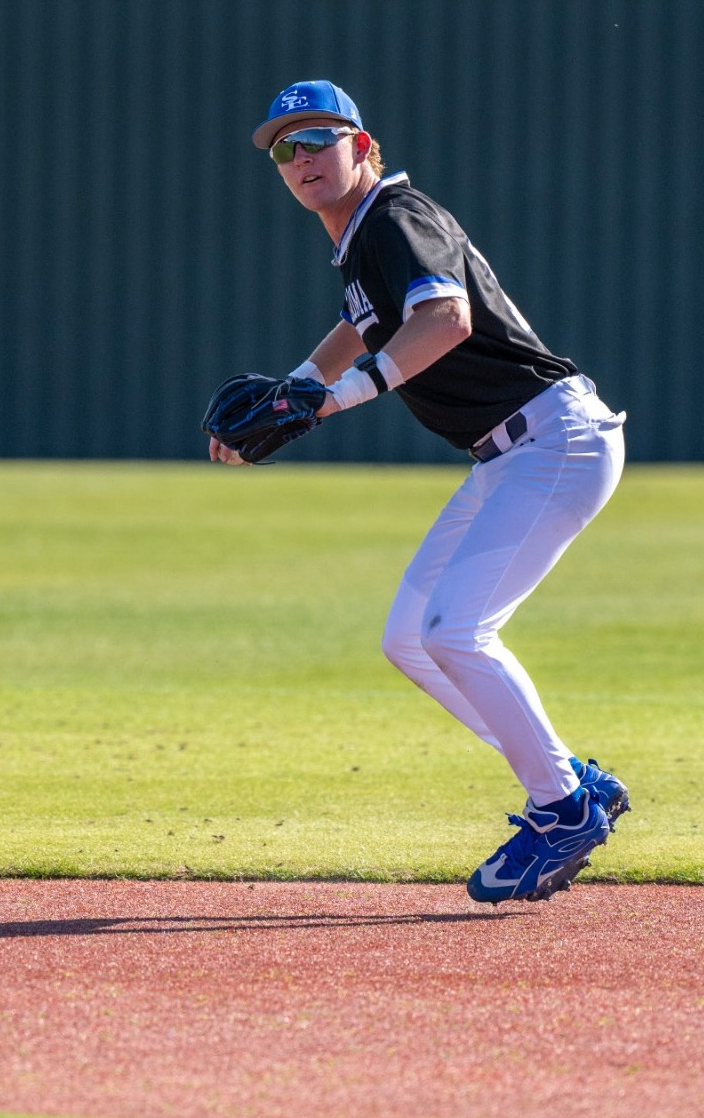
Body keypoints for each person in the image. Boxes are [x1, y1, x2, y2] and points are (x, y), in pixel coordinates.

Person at [217, 82, 632, 904]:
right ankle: (569, 776)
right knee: (412, 636)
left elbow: (444, 321)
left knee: (456, 629)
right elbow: (361, 320)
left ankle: (563, 806)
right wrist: (296, 385)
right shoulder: (364, 240)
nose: (302, 158)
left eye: (320, 139)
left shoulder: (398, 218)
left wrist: (329, 400)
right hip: (510, 454)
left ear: (363, 147)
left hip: (553, 439)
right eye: (284, 148)